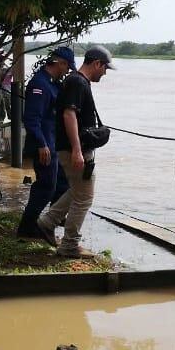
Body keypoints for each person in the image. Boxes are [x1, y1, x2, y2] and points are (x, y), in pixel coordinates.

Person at [36, 46, 114, 258]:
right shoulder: (77, 82)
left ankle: (48, 221)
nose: (105, 73)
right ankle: (69, 244)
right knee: (85, 198)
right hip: (74, 149)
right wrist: (77, 150)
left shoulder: (76, 82)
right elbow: (69, 115)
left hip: (71, 148)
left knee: (78, 191)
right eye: (105, 68)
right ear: (97, 63)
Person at [16, 47, 76, 241]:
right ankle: (27, 227)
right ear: (60, 63)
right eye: (66, 67)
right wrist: (42, 144)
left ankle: (53, 218)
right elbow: (32, 118)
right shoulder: (39, 84)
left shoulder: (53, 84)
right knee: (46, 186)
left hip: (53, 144)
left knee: (62, 183)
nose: (67, 71)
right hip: (44, 145)